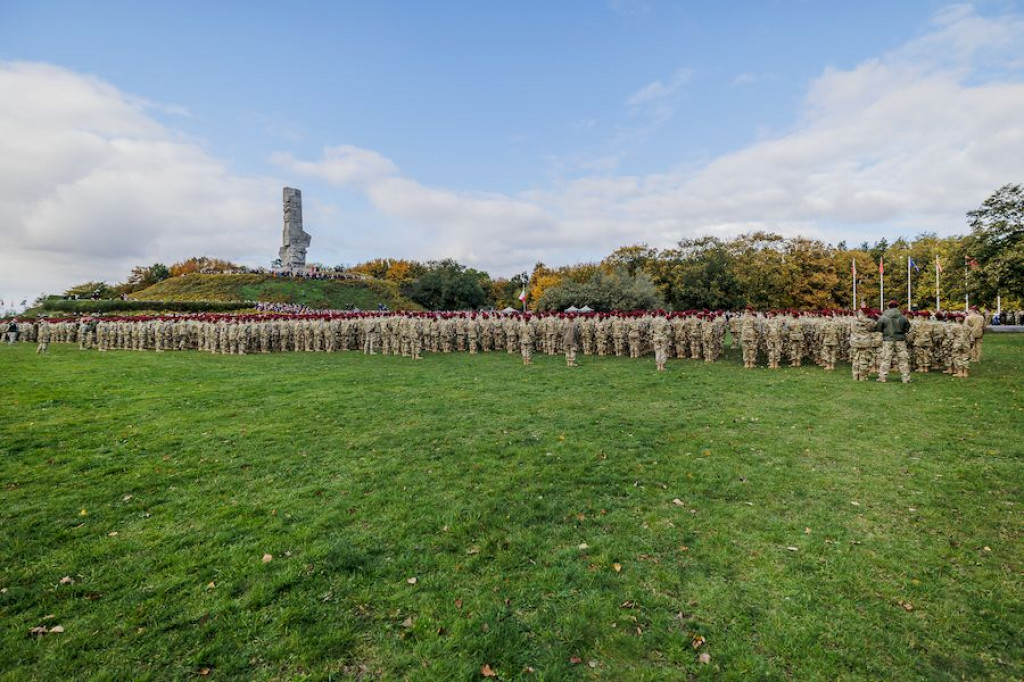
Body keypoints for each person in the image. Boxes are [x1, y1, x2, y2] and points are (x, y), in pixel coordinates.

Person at [875, 300, 912, 383]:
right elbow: (907, 329)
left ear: (888, 307)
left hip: (888, 340)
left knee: (886, 358)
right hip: (900, 340)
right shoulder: (903, 317)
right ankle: (905, 377)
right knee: (903, 359)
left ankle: (882, 377)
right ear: (898, 307)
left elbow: (878, 328)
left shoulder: (883, 317)